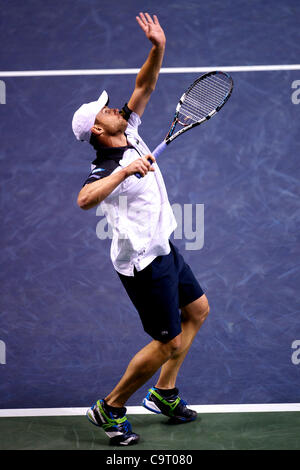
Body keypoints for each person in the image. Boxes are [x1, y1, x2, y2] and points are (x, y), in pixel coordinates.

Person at [72, 12, 210, 446]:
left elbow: (144, 86)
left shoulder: (128, 128)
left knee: (199, 311)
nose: (113, 108)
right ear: (98, 129)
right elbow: (84, 199)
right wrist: (126, 171)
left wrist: (158, 47)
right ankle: (110, 408)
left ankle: (164, 394)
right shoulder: (105, 165)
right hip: (143, 263)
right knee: (166, 343)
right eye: (105, 111)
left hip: (163, 246)